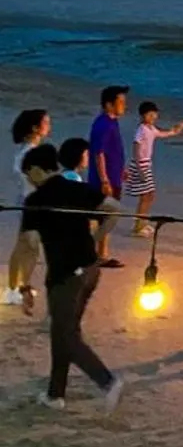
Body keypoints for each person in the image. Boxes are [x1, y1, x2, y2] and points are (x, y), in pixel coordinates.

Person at [21, 142, 124, 411]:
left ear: (35, 170)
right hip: (91, 271)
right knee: (63, 332)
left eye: (27, 174)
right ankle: (56, 395)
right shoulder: (78, 188)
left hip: (65, 276)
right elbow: (114, 208)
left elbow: (31, 245)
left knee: (66, 336)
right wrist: (95, 238)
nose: (28, 180)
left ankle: (107, 381)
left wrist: (25, 285)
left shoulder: (35, 201)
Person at [4, 108, 49, 309]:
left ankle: (16, 288)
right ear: (35, 127)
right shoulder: (29, 153)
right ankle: (15, 289)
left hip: (29, 202)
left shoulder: (26, 150)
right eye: (45, 122)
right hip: (32, 204)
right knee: (27, 247)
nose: (49, 126)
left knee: (25, 246)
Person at [122, 99, 179, 237]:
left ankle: (141, 223)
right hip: (140, 165)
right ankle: (138, 227)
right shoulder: (141, 129)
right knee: (146, 196)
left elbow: (161, 134)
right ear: (143, 116)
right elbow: (136, 147)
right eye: (149, 115)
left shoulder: (151, 129)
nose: (153, 117)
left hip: (146, 165)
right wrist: (139, 169)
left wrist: (174, 131)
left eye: (154, 114)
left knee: (148, 196)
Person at [88, 86, 129, 266]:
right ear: (109, 104)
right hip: (104, 180)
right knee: (103, 216)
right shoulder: (103, 124)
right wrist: (104, 179)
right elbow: (99, 153)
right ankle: (97, 254)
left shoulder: (112, 122)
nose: (123, 106)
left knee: (105, 216)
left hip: (113, 176)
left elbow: (113, 151)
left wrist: (121, 169)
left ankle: (100, 253)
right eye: (120, 102)